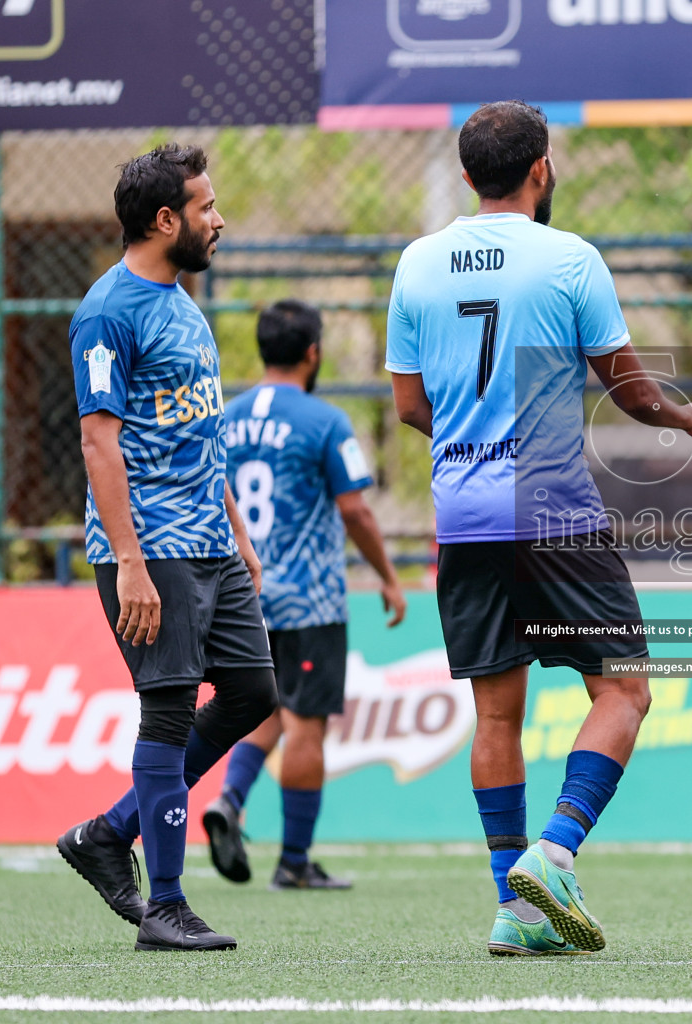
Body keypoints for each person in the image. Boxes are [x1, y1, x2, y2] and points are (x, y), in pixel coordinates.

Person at [386, 100, 692, 956]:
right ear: (542, 168)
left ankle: (514, 909)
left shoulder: (417, 264)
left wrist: (475, 440)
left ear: (468, 176)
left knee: (497, 713)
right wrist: (689, 420)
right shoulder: (571, 259)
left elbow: (408, 406)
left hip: (464, 513)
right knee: (623, 689)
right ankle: (555, 850)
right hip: (551, 507)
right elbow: (631, 392)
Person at [57, 144, 279, 952]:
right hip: (150, 551)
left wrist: (237, 530)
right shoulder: (106, 313)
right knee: (170, 706)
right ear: (164, 220)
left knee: (255, 692)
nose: (218, 220)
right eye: (207, 207)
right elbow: (98, 443)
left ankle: (108, 833)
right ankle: (167, 904)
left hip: (210, 544)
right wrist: (131, 563)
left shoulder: (184, 302)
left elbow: (197, 431)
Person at [201, 300, 408, 890]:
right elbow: (355, 508)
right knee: (307, 723)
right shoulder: (325, 421)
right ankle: (293, 861)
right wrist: (389, 577)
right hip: (309, 602)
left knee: (269, 707)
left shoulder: (225, 416)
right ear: (313, 352)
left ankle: (231, 800)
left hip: (241, 593)